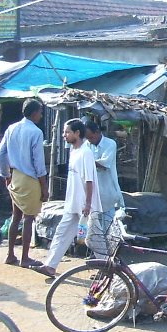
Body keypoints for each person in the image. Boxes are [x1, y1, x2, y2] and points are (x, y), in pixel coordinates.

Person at [31, 119, 102, 278]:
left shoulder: (86, 152)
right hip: (72, 204)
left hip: (85, 205)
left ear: (77, 133)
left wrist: (88, 203)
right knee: (61, 233)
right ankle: (50, 266)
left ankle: (108, 269)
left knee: (95, 239)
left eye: (67, 132)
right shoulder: (74, 151)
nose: (64, 135)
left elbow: (89, 180)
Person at [0, 98, 49, 267]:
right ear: (34, 113)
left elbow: (0, 155)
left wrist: (6, 175)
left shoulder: (11, 128)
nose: (41, 115)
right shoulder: (35, 132)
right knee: (28, 218)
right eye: (40, 112)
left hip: (15, 176)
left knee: (15, 216)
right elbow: (39, 163)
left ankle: (10, 254)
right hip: (31, 179)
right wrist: (44, 186)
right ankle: (25, 258)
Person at [85, 121, 124, 258]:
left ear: (97, 132)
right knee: (94, 229)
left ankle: (111, 259)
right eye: (87, 138)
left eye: (91, 137)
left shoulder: (110, 144)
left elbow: (105, 164)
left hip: (108, 191)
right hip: (92, 193)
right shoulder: (87, 145)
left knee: (109, 228)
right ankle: (100, 259)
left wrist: (85, 160)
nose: (90, 140)